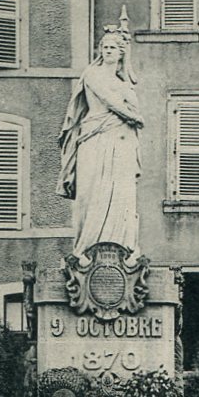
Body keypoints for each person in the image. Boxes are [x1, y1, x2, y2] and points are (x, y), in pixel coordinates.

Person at [56, 27, 144, 261]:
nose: (107, 51)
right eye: (104, 47)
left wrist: (130, 99)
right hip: (94, 137)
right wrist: (132, 116)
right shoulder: (92, 74)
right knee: (91, 192)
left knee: (121, 194)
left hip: (120, 140)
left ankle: (124, 251)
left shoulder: (123, 82)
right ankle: (84, 249)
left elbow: (133, 103)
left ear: (122, 53)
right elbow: (109, 100)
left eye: (112, 47)